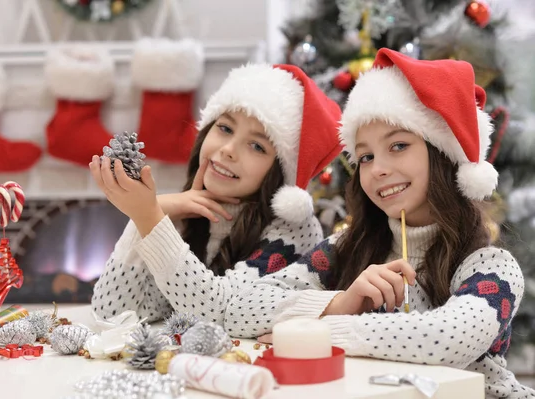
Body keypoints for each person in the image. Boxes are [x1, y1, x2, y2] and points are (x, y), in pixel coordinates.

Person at [225, 49, 534, 399]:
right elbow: (239, 308)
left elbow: (446, 339)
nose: (378, 169)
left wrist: (323, 328)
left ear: (444, 154)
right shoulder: (344, 250)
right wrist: (341, 302)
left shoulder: (491, 268)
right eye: (366, 156)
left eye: (399, 145)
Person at [89, 62, 343, 327]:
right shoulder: (186, 210)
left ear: (280, 171)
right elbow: (112, 315)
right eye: (225, 128)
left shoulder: (294, 230)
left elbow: (221, 313)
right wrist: (146, 217)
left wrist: (150, 217)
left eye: (257, 146)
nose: (229, 149)